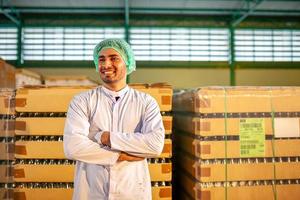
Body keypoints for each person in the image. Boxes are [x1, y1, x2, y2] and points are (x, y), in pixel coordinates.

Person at [63, 38, 165, 200]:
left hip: (132, 191)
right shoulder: (82, 101)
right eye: (101, 59)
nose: (106, 64)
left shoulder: (146, 102)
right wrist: (119, 156)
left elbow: (154, 145)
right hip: (91, 192)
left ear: (128, 63)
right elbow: (73, 147)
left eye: (114, 58)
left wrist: (103, 137)